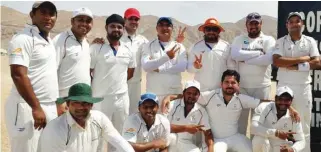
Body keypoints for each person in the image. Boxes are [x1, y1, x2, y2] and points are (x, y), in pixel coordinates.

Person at [161, 70, 299, 152]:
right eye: (226, 82)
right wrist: (170, 96)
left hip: (235, 137)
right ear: (221, 84)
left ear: (238, 85)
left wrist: (289, 107)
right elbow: (189, 95)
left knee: (254, 148)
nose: (229, 85)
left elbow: (263, 102)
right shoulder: (210, 96)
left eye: (233, 83)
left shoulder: (241, 98)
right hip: (217, 140)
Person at [5, 1, 59, 152]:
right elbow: (18, 74)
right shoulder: (23, 39)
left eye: (52, 14)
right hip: (27, 107)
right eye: (43, 13)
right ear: (32, 15)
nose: (48, 17)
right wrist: (36, 108)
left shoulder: (47, 40)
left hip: (47, 106)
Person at [272, 12, 321, 152]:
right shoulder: (280, 41)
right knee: (282, 123)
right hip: (283, 88)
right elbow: (277, 61)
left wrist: (294, 67)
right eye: (291, 21)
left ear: (302, 24)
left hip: (303, 88)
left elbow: (317, 63)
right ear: (287, 25)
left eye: (297, 21)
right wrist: (302, 59)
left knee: (303, 125)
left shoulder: (310, 41)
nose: (294, 24)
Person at [38, 83, 135, 152]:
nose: (81, 107)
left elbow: (119, 141)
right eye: (76, 102)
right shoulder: (55, 129)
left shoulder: (99, 119)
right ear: (68, 104)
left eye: (85, 103)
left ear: (91, 105)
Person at [90, 14, 136, 152]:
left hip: (121, 99)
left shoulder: (128, 50)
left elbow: (130, 72)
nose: (116, 29)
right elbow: (88, 72)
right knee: (97, 134)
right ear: (106, 27)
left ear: (123, 29)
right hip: (100, 99)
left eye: (119, 27)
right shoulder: (96, 48)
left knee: (118, 135)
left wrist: (117, 83)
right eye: (112, 26)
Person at [231, 12, 276, 136]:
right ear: (246, 25)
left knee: (259, 124)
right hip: (242, 88)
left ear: (261, 24)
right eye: (251, 24)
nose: (253, 26)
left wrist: (244, 59)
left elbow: (268, 60)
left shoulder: (268, 39)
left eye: (256, 23)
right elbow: (234, 55)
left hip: (262, 87)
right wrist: (258, 53)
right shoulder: (239, 39)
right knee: (240, 124)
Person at [53, 7, 93, 116]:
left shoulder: (86, 42)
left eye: (88, 21)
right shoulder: (61, 40)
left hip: (83, 101)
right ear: (72, 21)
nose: (84, 24)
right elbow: (51, 72)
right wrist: (58, 101)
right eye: (80, 20)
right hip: (65, 101)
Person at [141, 17, 188, 108]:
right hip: (154, 93)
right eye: (161, 25)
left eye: (168, 25)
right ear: (156, 28)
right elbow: (146, 66)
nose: (164, 28)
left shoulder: (179, 46)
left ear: (172, 29)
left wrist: (159, 68)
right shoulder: (148, 46)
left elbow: (182, 66)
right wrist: (167, 58)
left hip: (174, 94)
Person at [187, 18, 236, 92]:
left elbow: (231, 68)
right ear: (204, 31)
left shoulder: (227, 46)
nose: (211, 32)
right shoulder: (195, 47)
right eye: (208, 29)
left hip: (220, 91)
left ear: (219, 31)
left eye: (214, 29)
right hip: (201, 91)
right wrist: (195, 67)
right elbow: (189, 69)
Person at [251, 86, 305, 152]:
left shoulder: (294, 115)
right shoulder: (264, 107)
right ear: (275, 98)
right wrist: (276, 133)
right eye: (280, 99)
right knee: (258, 139)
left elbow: (301, 140)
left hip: (281, 148)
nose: (283, 102)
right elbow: (253, 128)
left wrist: (292, 149)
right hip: (264, 145)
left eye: (287, 100)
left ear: (291, 100)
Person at [167, 80, 214, 152]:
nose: (191, 96)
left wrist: (211, 148)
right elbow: (164, 128)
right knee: (172, 137)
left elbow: (208, 133)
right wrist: (186, 128)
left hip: (186, 142)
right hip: (170, 140)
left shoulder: (201, 111)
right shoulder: (172, 105)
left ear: (199, 95)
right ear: (184, 93)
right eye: (189, 93)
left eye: (195, 94)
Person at [121, 8, 149, 114]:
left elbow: (155, 52)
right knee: (119, 113)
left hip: (136, 85)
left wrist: (177, 42)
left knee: (133, 114)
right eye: (131, 19)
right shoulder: (116, 37)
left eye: (136, 19)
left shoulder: (143, 41)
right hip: (118, 84)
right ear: (124, 20)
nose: (133, 22)